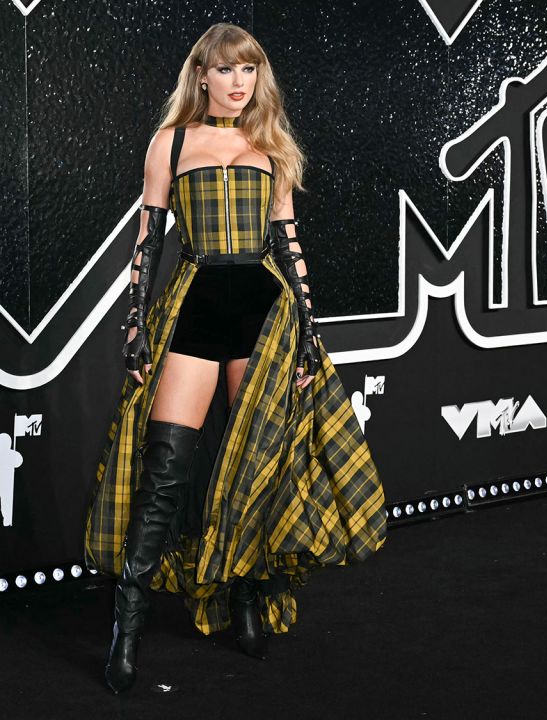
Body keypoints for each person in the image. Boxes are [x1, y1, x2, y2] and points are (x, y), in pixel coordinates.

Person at [84, 23, 388, 694]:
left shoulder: (270, 145)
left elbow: (289, 245)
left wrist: (309, 329)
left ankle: (246, 600)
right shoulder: (172, 143)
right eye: (226, 70)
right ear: (202, 77)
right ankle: (126, 624)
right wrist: (135, 328)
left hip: (263, 309)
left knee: (257, 464)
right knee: (165, 469)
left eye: (248, 70)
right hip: (194, 305)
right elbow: (147, 242)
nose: (239, 82)